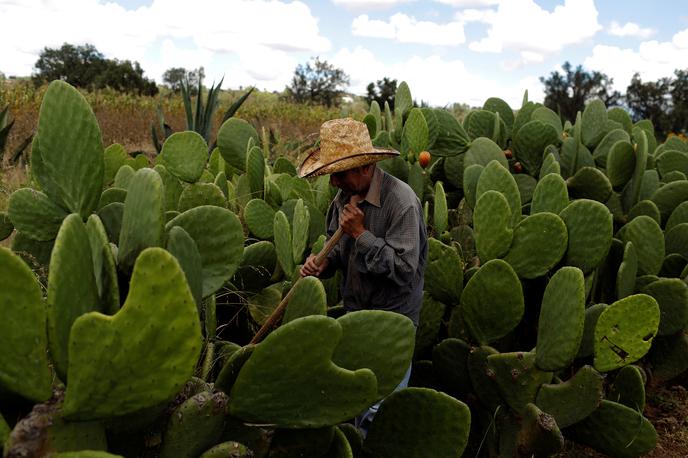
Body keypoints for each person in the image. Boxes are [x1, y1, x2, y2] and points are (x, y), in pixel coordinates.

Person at [298, 117, 428, 436]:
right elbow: (339, 250)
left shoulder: (401, 204)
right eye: (331, 175)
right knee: (355, 401)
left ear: (365, 169)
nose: (333, 182)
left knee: (381, 413)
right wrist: (322, 265)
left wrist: (361, 234)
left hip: (392, 320)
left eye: (339, 174)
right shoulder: (343, 200)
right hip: (356, 315)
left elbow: (404, 270)